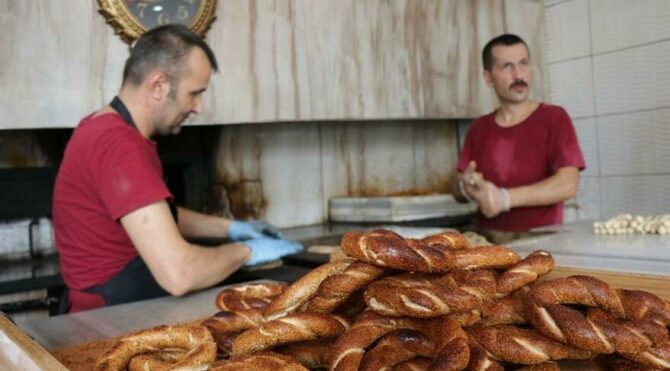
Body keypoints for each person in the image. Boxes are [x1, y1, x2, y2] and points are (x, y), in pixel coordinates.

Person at [52, 25, 302, 313]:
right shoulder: (118, 144)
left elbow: (152, 214)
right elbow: (179, 275)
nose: (198, 107)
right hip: (108, 319)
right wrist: (247, 252)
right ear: (158, 85)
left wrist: (232, 228)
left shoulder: (103, 127)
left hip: (119, 305)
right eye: (194, 93)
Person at [453, 34, 585, 234]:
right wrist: (466, 186)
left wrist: (504, 199)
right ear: (488, 78)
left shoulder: (555, 118)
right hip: (491, 246)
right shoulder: (478, 128)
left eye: (524, 63)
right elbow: (457, 188)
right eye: (507, 66)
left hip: (542, 244)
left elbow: (568, 184)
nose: (519, 75)